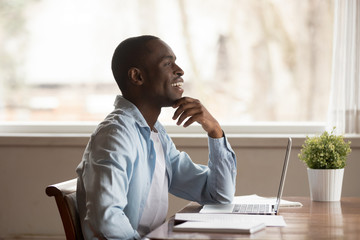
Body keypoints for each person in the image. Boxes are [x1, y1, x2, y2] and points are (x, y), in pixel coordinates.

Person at [76, 35, 237, 240]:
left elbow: (218, 196)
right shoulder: (116, 135)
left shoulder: (155, 133)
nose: (179, 70)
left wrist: (214, 130)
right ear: (137, 76)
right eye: (168, 63)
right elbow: (106, 221)